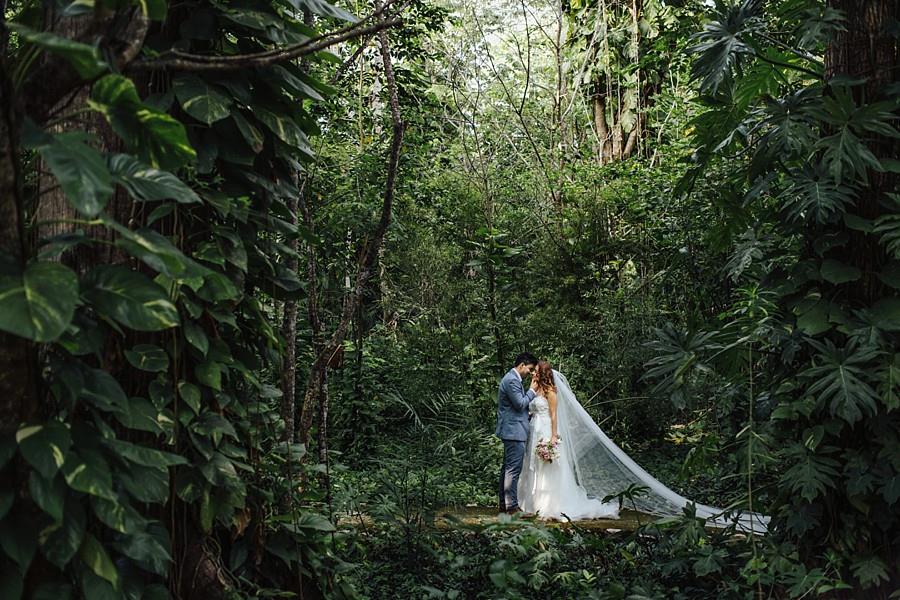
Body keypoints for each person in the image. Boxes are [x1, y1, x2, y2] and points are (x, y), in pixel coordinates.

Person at [518, 361, 619, 520]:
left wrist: (552, 437)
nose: (533, 374)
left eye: (536, 371)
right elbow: (529, 409)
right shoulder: (535, 389)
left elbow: (553, 415)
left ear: (543, 374)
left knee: (546, 466)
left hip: (546, 429)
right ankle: (533, 504)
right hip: (534, 430)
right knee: (533, 466)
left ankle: (549, 505)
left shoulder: (551, 392)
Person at [495, 352, 539, 514]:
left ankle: (504, 505)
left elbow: (514, 408)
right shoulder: (512, 380)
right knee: (513, 469)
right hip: (514, 431)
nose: (531, 373)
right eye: (530, 369)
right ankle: (512, 507)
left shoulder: (512, 379)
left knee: (507, 468)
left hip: (513, 429)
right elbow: (520, 403)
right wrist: (532, 391)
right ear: (522, 365)